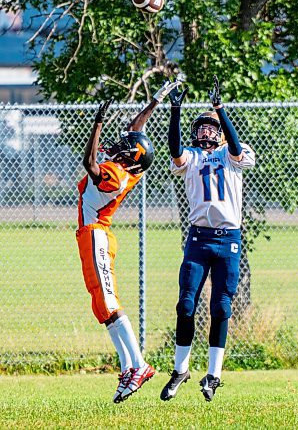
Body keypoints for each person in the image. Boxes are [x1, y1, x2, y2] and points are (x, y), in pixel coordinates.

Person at [76, 80, 179, 403]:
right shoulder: (131, 165)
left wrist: (96, 123)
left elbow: (89, 164)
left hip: (97, 234)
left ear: (132, 158)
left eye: (125, 146)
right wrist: (157, 100)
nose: (119, 145)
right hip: (89, 235)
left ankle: (139, 365)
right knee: (101, 306)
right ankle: (129, 365)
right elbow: (137, 132)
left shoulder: (117, 174)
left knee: (108, 301)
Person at [160, 76, 256, 402]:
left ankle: (214, 375)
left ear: (219, 130)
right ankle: (180, 369)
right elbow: (174, 151)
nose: (203, 131)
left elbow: (237, 148)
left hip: (228, 239)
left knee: (221, 308)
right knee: (186, 303)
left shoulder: (233, 154)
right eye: (199, 127)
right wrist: (175, 110)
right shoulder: (192, 156)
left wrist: (220, 109)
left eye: (209, 126)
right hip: (199, 238)